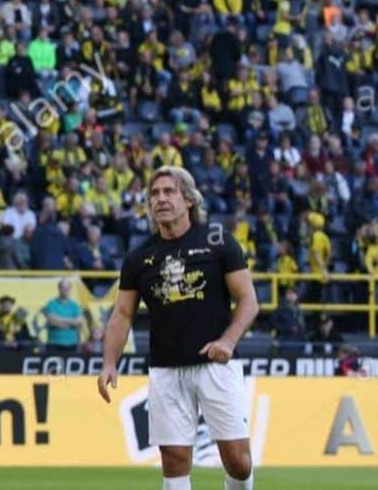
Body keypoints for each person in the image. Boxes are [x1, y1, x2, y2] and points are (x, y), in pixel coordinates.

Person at [97, 166, 259, 490]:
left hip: (217, 365)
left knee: (238, 462)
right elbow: (122, 314)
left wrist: (227, 341)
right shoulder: (139, 257)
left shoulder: (217, 241)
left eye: (168, 192)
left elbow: (248, 302)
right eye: (154, 194)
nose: (160, 199)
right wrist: (109, 363)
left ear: (188, 200)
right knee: (173, 460)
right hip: (166, 369)